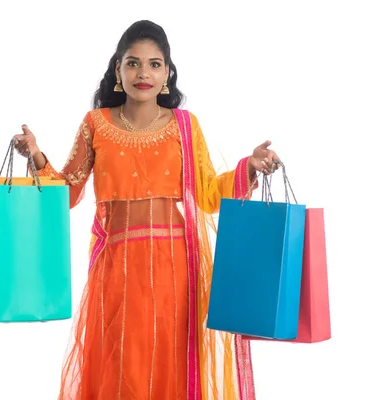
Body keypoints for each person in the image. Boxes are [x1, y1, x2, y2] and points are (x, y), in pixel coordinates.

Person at [14, 20, 280, 400]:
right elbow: (68, 192)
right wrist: (37, 155)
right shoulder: (96, 125)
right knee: (122, 367)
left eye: (155, 64)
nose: (144, 73)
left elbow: (207, 194)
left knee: (169, 366)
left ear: (168, 73)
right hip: (116, 267)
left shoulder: (184, 126)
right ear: (118, 70)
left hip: (175, 270)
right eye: (133, 63)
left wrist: (248, 169)